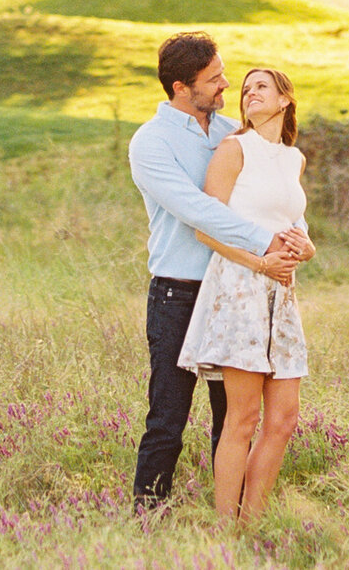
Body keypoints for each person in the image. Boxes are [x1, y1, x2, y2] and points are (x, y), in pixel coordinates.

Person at [126, 33, 307, 509]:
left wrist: (291, 241)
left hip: (236, 292)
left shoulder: (233, 132)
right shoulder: (151, 143)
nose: (227, 84)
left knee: (233, 416)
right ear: (182, 87)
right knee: (168, 414)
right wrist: (264, 244)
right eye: (215, 79)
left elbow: (272, 194)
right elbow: (197, 211)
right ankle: (148, 518)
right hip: (179, 292)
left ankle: (229, 519)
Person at [179, 66, 312, 523]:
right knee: (242, 419)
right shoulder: (234, 149)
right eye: (246, 89)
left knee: (284, 419)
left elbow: (292, 220)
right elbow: (205, 227)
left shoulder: (294, 159)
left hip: (282, 296)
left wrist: (307, 247)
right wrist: (259, 262)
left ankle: (252, 524)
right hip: (239, 288)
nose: (250, 93)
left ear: (284, 100)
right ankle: (223, 530)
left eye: (262, 87)